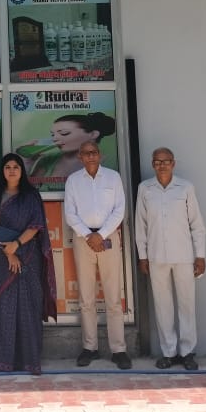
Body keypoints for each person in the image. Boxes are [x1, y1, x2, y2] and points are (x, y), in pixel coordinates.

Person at [135, 147, 206, 371]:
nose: (162, 165)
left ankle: (187, 352)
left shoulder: (185, 188)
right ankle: (168, 352)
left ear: (173, 163)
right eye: (157, 162)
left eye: (166, 161)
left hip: (184, 255)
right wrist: (143, 256)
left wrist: (200, 255)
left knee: (187, 305)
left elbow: (196, 224)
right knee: (162, 306)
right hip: (157, 257)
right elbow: (141, 225)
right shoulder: (145, 189)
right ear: (153, 164)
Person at [64, 140, 130, 369]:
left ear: (99, 155)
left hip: (109, 238)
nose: (90, 156)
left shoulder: (113, 177)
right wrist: (89, 235)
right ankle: (89, 347)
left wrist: (100, 235)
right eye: (86, 153)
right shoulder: (73, 181)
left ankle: (118, 350)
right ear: (80, 157)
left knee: (113, 299)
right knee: (86, 298)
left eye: (94, 152)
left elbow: (119, 210)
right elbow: (70, 213)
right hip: (83, 241)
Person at [0, 153, 57, 374]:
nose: (11, 170)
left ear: (22, 170)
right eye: (7, 166)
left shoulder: (31, 196)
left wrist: (17, 244)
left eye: (15, 166)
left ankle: (30, 359)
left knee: (29, 304)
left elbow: (36, 225)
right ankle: (5, 360)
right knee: (6, 305)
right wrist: (9, 253)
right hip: (3, 256)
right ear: (3, 171)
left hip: (29, 255)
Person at [21, 112, 117, 188]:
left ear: (93, 134)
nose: (55, 139)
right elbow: (28, 194)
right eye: (53, 135)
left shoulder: (110, 163)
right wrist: (26, 163)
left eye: (64, 133)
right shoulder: (47, 160)